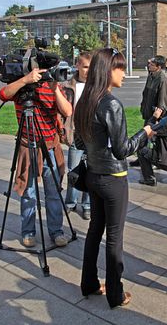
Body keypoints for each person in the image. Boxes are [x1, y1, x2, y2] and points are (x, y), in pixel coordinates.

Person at [74, 48, 153, 308]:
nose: (124, 73)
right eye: (120, 68)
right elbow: (122, 149)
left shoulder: (85, 100)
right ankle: (115, 294)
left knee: (95, 231)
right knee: (114, 238)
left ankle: (89, 283)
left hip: (94, 176)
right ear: (109, 71)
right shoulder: (111, 103)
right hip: (113, 178)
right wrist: (145, 133)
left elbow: (78, 140)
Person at [0, 69, 72, 248]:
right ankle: (28, 232)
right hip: (27, 145)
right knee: (28, 193)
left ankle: (56, 231)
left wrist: (54, 88)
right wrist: (25, 80)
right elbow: (3, 94)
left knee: (54, 193)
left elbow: (68, 111)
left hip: (50, 146)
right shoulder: (22, 86)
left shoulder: (54, 86)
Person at [61, 52, 92, 219]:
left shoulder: (96, 86)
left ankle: (87, 204)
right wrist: (63, 129)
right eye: (85, 67)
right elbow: (62, 111)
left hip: (92, 136)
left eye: (91, 67)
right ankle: (70, 202)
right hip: (75, 134)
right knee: (73, 170)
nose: (88, 71)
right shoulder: (69, 86)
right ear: (78, 66)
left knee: (91, 171)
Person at [130, 55, 167, 167]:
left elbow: (162, 101)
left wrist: (157, 117)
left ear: (159, 67)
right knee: (146, 138)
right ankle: (142, 158)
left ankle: (156, 161)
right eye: (149, 64)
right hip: (148, 113)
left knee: (147, 138)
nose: (149, 66)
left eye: (152, 64)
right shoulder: (151, 75)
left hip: (155, 115)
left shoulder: (162, 79)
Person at [137, 106, 167, 186]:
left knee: (141, 151)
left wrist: (154, 117)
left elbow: (147, 130)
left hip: (165, 162)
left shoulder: (166, 125)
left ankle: (149, 179)